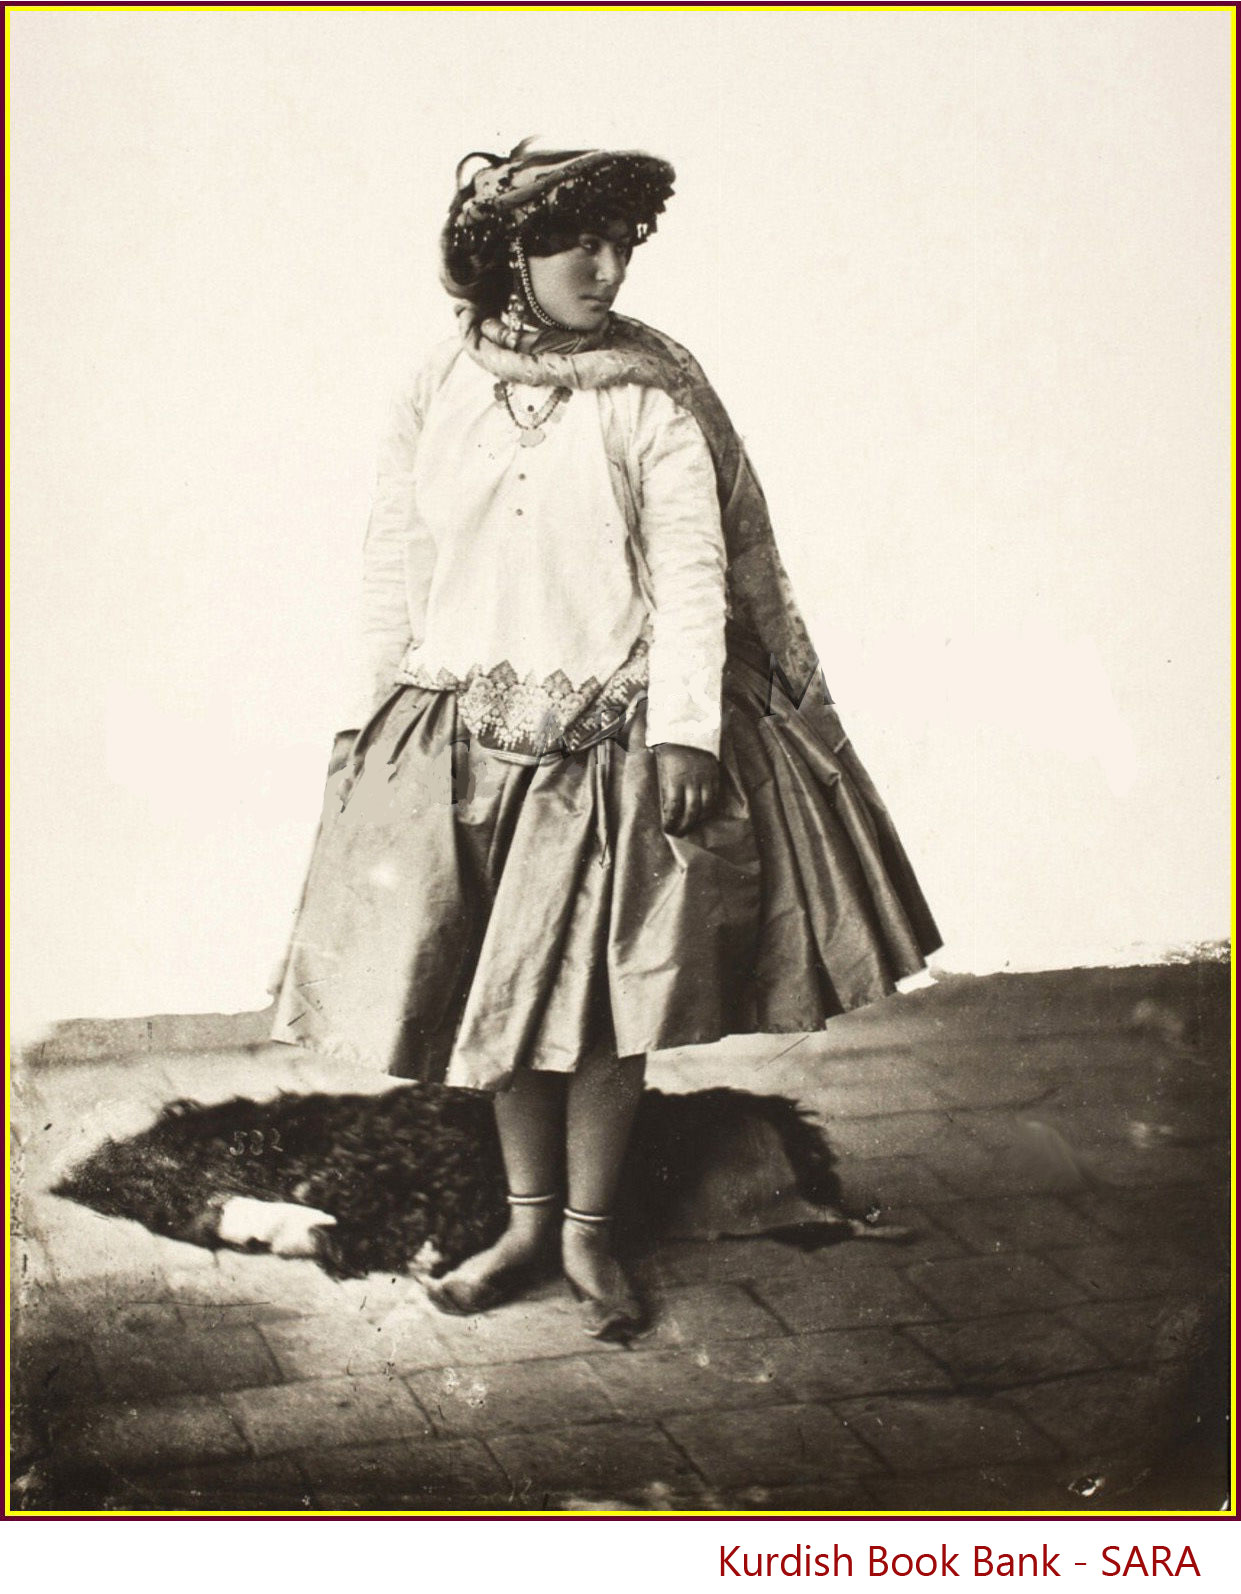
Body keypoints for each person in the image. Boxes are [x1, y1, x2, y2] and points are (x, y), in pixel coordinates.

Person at [272, 143, 940, 1341]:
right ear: (507, 255)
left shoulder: (648, 393)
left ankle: (586, 1234)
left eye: (622, 242)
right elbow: (394, 554)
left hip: (609, 743)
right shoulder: (437, 382)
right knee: (498, 1000)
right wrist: (375, 720)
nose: (607, 266)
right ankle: (526, 1224)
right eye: (577, 242)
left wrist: (684, 732)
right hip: (465, 740)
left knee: (594, 1009)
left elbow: (691, 574)